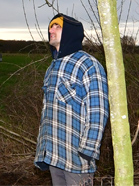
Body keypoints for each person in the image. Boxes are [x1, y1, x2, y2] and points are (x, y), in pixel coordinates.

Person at [34, 14, 109, 186]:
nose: (50, 30)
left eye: (57, 26)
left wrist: (88, 150)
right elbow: (47, 112)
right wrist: (43, 148)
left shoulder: (88, 64)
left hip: (77, 157)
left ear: (70, 32)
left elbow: (98, 111)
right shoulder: (51, 68)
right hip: (54, 154)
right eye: (50, 26)